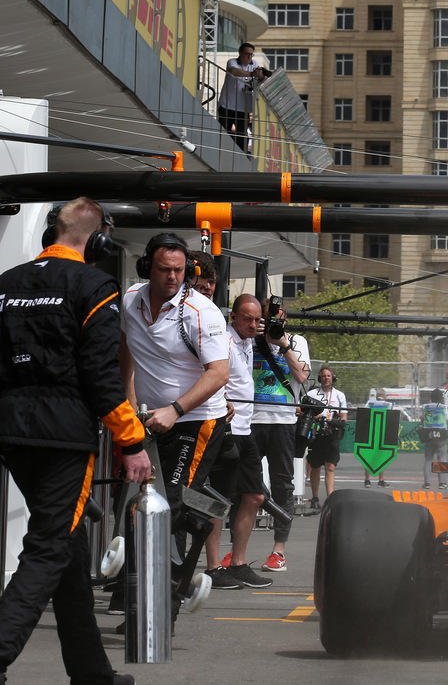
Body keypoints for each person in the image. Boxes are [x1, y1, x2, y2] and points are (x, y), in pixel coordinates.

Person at [0, 197, 150, 685]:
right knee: (49, 546)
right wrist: (132, 440)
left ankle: (92, 674)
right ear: (98, 242)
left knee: (69, 547)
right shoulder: (96, 287)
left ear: (48, 234)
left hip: (12, 435)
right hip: (65, 438)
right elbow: (102, 377)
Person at [120, 232, 230, 624]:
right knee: (145, 505)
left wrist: (175, 409)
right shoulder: (131, 299)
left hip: (196, 420)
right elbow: (126, 349)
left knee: (172, 505)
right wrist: (129, 403)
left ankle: (170, 598)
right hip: (149, 421)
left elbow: (219, 374)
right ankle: (144, 595)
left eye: (179, 271)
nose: (172, 277)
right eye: (164, 269)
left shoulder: (202, 312)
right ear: (147, 266)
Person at [204, 294, 271, 591]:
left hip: (247, 430)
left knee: (255, 496)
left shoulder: (250, 342)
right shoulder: (225, 342)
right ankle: (213, 567)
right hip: (226, 430)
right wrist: (222, 402)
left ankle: (239, 564)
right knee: (219, 500)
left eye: (258, 320)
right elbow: (210, 376)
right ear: (233, 317)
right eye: (248, 319)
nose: (253, 325)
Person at [251, 298, 310, 572]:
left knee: (282, 484)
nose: (273, 324)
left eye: (278, 319)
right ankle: (237, 548)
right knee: (243, 484)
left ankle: (278, 551)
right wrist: (257, 334)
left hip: (283, 421)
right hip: (248, 420)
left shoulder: (296, 342)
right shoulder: (247, 338)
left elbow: (301, 376)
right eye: (266, 319)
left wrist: (283, 343)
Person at [303, 367, 347, 507]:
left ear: (333, 377)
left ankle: (330, 499)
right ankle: (315, 498)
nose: (326, 378)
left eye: (328, 376)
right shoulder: (312, 393)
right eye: (323, 376)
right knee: (315, 466)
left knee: (330, 466)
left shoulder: (340, 395)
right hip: (317, 433)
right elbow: (300, 409)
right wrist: (313, 416)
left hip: (332, 434)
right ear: (319, 378)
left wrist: (339, 423)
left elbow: (344, 415)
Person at [217, 42, 263, 150]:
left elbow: (260, 76)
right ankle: (221, 152)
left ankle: (241, 156)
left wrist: (261, 75)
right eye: (247, 54)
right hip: (227, 105)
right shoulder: (232, 62)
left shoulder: (254, 64)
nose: (249, 57)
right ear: (240, 53)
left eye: (251, 54)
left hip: (243, 108)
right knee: (223, 133)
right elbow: (233, 71)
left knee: (242, 135)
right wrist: (252, 74)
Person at [363, 390, 389, 487]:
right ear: (384, 396)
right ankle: (381, 480)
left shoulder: (370, 403)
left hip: (370, 433)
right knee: (381, 458)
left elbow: (364, 415)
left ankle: (367, 480)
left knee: (367, 458)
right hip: (381, 434)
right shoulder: (387, 404)